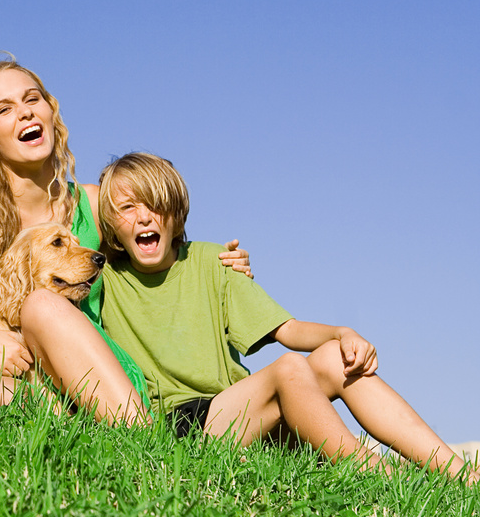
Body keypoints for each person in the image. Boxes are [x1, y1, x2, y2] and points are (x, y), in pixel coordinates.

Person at [0, 61, 251, 425]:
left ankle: (137, 433)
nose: (25, 112)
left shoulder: (93, 205)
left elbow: (160, 245)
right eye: (4, 109)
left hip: (106, 381)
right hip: (21, 374)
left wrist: (219, 263)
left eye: (32, 99)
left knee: (41, 307)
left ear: (50, 111)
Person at [97, 152, 479, 481]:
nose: (143, 218)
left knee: (336, 357)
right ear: (111, 223)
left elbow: (287, 329)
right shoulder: (103, 279)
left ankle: (459, 474)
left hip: (241, 410)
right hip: (182, 426)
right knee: (288, 368)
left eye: (155, 205)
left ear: (177, 214)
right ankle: (371, 471)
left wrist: (342, 332)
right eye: (127, 208)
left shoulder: (213, 261)